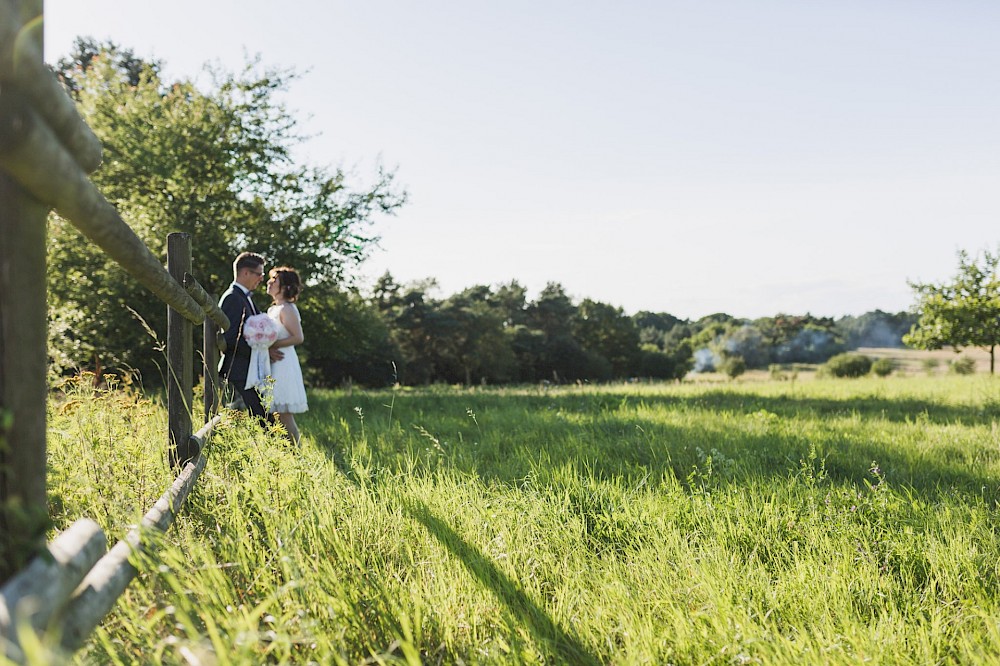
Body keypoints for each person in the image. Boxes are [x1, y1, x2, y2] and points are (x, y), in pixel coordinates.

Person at [218, 252, 279, 423]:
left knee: (263, 416)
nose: (261, 278)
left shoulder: (244, 297)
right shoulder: (233, 298)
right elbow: (232, 338)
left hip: (248, 368)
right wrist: (263, 352)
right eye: (259, 273)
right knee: (263, 418)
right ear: (245, 273)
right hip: (240, 369)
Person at [265, 266, 308, 443]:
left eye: (274, 280)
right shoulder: (273, 309)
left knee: (283, 413)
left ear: (284, 286)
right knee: (275, 414)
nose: (269, 282)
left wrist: (271, 345)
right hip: (273, 362)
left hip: (283, 363)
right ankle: (284, 452)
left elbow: (298, 337)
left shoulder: (287, 309)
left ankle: (296, 455)